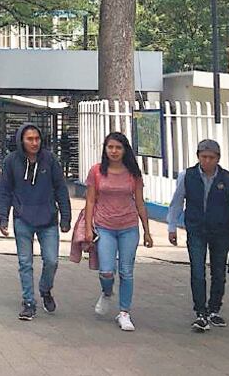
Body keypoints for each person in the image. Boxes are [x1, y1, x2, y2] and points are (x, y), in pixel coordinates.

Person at [166, 139, 229, 332]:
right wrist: (172, 226)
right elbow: (177, 202)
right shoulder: (187, 176)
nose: (207, 161)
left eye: (211, 157)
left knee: (219, 272)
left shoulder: (228, 180)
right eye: (204, 157)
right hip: (196, 230)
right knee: (197, 270)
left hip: (221, 231)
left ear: (218, 158)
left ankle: (214, 309)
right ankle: (200, 312)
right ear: (198, 157)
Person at [0, 123, 72, 321]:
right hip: (23, 218)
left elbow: (61, 189)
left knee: (51, 261)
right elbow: (4, 191)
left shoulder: (50, 160)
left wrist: (66, 217)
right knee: (25, 262)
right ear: (21, 139)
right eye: (29, 139)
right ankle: (29, 302)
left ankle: (45, 289)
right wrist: (3, 217)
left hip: (47, 219)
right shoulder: (11, 162)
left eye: (37, 139)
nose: (34, 143)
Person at [84, 133, 153, 332]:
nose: (114, 151)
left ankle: (124, 312)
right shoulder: (97, 171)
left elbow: (140, 202)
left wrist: (147, 231)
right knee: (106, 271)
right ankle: (106, 293)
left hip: (128, 227)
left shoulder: (133, 173)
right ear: (105, 149)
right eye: (110, 147)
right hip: (104, 227)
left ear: (125, 150)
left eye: (118, 148)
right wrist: (89, 228)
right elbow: (90, 201)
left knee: (126, 271)